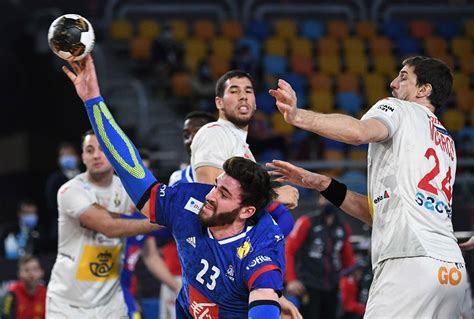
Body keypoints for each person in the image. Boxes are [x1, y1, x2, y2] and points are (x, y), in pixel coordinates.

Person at [62, 54, 294, 319]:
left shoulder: (262, 242)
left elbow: (263, 296)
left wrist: (273, 295)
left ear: (246, 212)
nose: (211, 194)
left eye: (224, 193)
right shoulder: (190, 202)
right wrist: (93, 100)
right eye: (217, 185)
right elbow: (130, 166)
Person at [268, 56, 469, 317]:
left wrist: (298, 116)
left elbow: (358, 132)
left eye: (404, 76)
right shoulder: (447, 144)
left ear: (424, 90)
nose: (394, 83)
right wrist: (320, 183)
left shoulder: (398, 109)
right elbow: (380, 213)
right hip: (451, 269)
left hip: (407, 261)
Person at [45, 130, 162, 318]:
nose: (96, 155)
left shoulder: (126, 188)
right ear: (82, 157)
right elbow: (109, 227)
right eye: (90, 150)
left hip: (111, 302)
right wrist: (162, 223)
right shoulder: (70, 190)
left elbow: (156, 207)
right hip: (68, 304)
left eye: (102, 149)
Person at [121, 149, 181, 319]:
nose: (137, 180)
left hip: (125, 291)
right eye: (133, 173)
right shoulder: (109, 208)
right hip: (95, 292)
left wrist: (177, 288)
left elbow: (151, 256)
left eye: (144, 173)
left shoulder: (144, 214)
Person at [284, 201, 355, 319]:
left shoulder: (342, 227)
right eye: (323, 198)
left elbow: (348, 259)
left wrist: (347, 280)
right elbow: (289, 250)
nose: (327, 201)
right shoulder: (306, 222)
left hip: (333, 284)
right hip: (309, 283)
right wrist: (291, 279)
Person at [45, 142, 80, 245]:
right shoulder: (54, 179)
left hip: (86, 228)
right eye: (63, 155)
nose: (66, 158)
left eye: (69, 154)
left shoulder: (86, 177)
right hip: (62, 229)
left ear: (78, 157)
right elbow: (51, 204)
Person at [1, 255, 47, 319]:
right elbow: (5, 317)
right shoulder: (11, 295)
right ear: (19, 274)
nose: (31, 274)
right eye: (26, 270)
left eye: (35, 269)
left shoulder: (48, 295)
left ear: (41, 272)